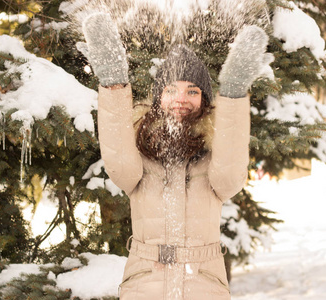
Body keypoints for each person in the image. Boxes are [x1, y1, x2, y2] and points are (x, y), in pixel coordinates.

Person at [82, 12, 269, 300]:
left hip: (203, 283)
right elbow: (121, 169)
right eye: (171, 90)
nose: (181, 99)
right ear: (158, 98)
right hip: (145, 283)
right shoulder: (141, 148)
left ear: (204, 100)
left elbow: (229, 180)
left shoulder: (215, 151)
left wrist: (232, 93)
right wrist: (113, 83)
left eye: (192, 91)